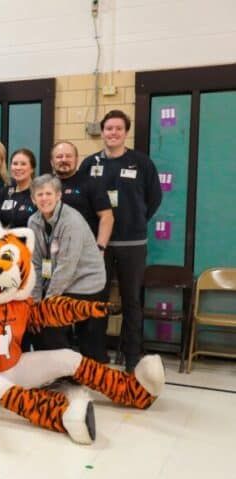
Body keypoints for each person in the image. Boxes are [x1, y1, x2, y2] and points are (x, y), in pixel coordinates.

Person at [80, 110, 162, 371]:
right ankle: (95, 357)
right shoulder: (89, 164)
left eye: (118, 129)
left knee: (131, 301)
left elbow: (154, 199)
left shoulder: (142, 163)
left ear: (126, 132)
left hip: (132, 245)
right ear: (102, 132)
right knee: (96, 300)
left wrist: (134, 221)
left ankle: (131, 358)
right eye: (108, 128)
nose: (113, 133)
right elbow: (82, 200)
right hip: (98, 246)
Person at [27, 175, 108, 362]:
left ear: (58, 196)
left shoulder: (71, 221)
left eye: (49, 193)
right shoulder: (33, 221)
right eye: (40, 194)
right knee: (36, 323)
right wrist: (36, 303)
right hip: (59, 283)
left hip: (85, 283)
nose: (44, 198)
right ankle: (57, 371)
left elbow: (66, 267)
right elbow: (36, 265)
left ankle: (75, 370)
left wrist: (46, 306)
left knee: (50, 321)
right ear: (33, 199)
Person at [51, 141, 113, 245]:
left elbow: (107, 217)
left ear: (76, 159)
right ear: (52, 162)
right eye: (59, 156)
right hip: (53, 249)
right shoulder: (46, 185)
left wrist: (100, 248)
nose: (64, 159)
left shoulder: (91, 183)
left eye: (69, 156)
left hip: (85, 249)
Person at [0, 148, 37, 228]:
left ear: (32, 169)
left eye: (23, 164)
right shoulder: (6, 191)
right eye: (15, 164)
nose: (18, 168)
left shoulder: (38, 192)